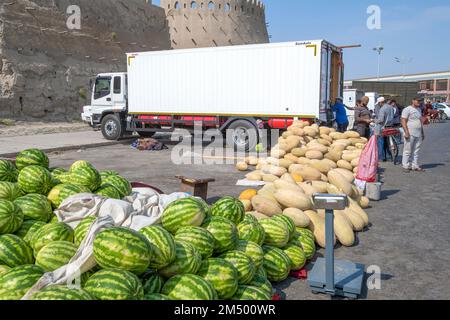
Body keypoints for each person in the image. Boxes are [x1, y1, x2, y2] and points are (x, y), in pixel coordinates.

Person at [401, 97, 425, 172]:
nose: (419, 102)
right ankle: (405, 165)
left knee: (416, 150)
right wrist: (406, 132)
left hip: (418, 133)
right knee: (407, 150)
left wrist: (422, 132)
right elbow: (403, 120)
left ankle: (415, 165)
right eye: (418, 101)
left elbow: (420, 122)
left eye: (420, 101)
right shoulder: (407, 109)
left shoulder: (419, 109)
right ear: (413, 100)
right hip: (410, 133)